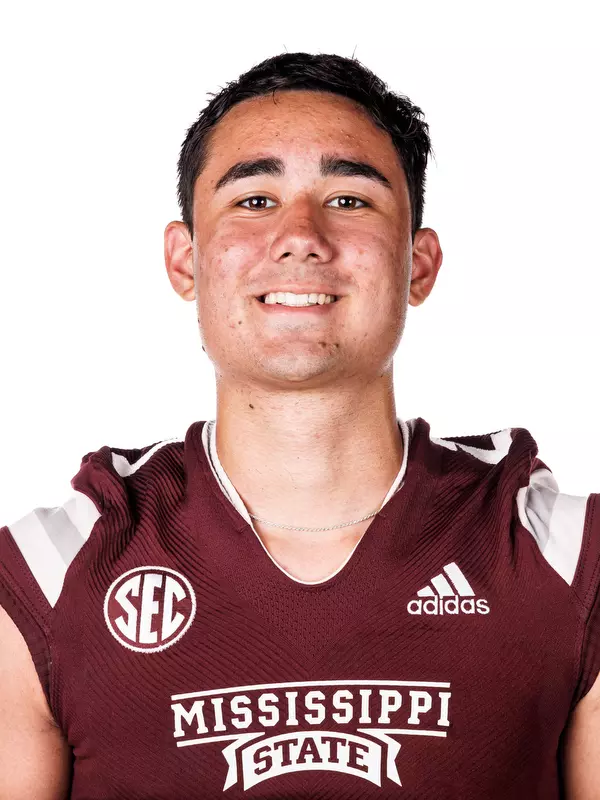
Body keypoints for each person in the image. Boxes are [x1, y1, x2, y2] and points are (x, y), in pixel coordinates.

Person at [0, 51, 598, 800]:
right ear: (185, 260)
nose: (302, 235)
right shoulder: (49, 573)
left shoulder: (566, 557)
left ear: (419, 264)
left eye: (349, 200)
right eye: (254, 200)